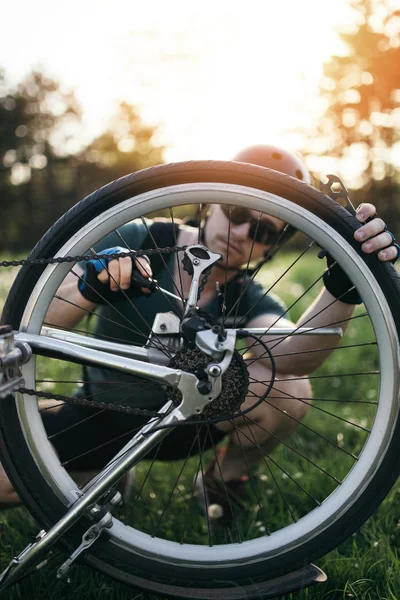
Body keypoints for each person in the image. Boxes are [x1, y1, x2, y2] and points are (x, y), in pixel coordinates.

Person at [0, 145, 397, 523]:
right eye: (238, 211)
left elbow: (293, 357)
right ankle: (105, 477)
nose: (243, 232)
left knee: (291, 392)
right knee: (8, 483)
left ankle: (223, 480)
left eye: (263, 230)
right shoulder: (137, 238)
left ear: (272, 248)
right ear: (210, 201)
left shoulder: (246, 296)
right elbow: (30, 318)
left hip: (184, 424)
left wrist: (344, 287)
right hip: (99, 413)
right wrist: (91, 288)